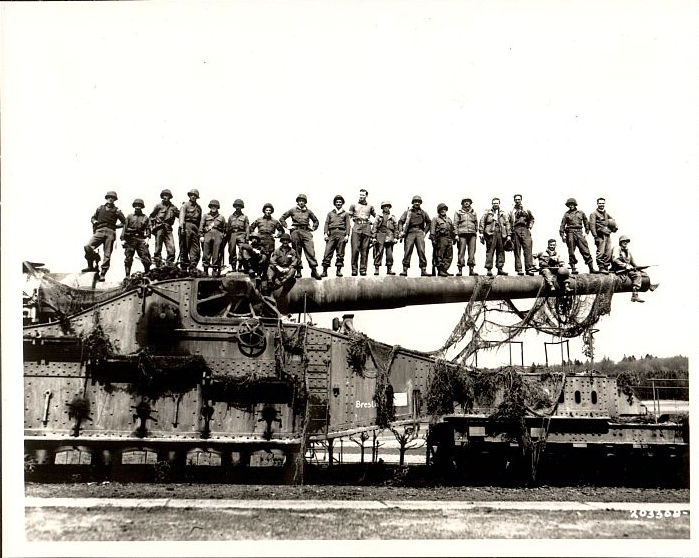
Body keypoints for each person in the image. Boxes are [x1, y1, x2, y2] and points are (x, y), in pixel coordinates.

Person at [83, 190, 126, 282]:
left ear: (115, 200)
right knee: (87, 247)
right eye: (109, 197)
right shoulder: (100, 208)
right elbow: (93, 217)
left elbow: (125, 222)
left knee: (107, 254)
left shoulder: (117, 211)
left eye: (113, 198)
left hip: (110, 232)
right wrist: (94, 221)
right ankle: (91, 264)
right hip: (100, 230)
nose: (111, 199)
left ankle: (103, 273)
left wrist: (115, 226)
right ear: (106, 198)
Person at [280, 194, 322, 280]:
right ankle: (298, 271)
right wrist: (287, 226)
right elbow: (282, 218)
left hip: (306, 231)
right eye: (300, 201)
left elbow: (316, 221)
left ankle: (314, 270)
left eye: (303, 201)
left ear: (305, 202)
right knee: (296, 252)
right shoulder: (292, 210)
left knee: (310, 251)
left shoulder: (308, 211)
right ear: (297, 201)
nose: (301, 202)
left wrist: (313, 228)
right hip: (295, 231)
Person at [559, 197, 597, 274]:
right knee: (571, 252)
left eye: (572, 204)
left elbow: (586, 222)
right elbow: (562, 225)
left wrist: (586, 232)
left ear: (575, 204)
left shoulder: (581, 213)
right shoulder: (566, 214)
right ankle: (573, 268)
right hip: (570, 233)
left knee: (585, 250)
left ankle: (591, 268)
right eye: (569, 205)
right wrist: (562, 235)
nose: (571, 206)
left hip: (579, 232)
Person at [397, 195, 431, 276]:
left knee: (421, 251)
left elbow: (429, 222)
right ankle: (405, 269)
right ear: (413, 202)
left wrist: (424, 232)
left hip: (419, 232)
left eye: (418, 202)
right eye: (415, 201)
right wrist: (401, 231)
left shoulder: (423, 213)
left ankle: (423, 270)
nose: (417, 203)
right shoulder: (408, 212)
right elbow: (400, 221)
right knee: (408, 250)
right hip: (410, 232)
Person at [478, 197, 512, 276]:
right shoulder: (487, 212)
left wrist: (509, 235)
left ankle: (500, 269)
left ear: (499, 204)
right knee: (490, 251)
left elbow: (507, 223)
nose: (495, 204)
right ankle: (489, 269)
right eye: (494, 203)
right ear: (492, 204)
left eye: (497, 203)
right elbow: (482, 222)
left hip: (501, 233)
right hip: (490, 234)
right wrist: (481, 233)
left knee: (501, 251)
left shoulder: (503, 213)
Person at [348, 188, 376, 276]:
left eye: (363, 195)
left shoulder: (370, 206)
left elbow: (377, 217)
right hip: (356, 227)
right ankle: (354, 269)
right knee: (355, 249)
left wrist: (373, 226)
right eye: (360, 195)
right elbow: (348, 217)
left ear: (366, 196)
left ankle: (363, 269)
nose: (361, 196)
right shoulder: (353, 205)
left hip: (366, 228)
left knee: (365, 250)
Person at [611, 235, 648, 302]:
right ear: (620, 242)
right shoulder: (617, 248)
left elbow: (633, 262)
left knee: (642, 273)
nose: (625, 243)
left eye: (627, 242)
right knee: (637, 275)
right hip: (619, 269)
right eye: (624, 241)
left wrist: (639, 268)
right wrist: (625, 265)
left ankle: (650, 286)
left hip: (627, 269)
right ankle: (635, 296)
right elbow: (615, 259)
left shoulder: (628, 251)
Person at [122, 198, 152, 277]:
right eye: (136, 205)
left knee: (146, 258)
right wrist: (122, 239)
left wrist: (147, 239)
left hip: (140, 239)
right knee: (128, 258)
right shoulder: (129, 216)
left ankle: (147, 274)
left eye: (139, 206)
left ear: (142, 207)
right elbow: (125, 228)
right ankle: (127, 276)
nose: (137, 207)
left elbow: (148, 228)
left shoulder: (145, 217)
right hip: (130, 239)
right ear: (134, 206)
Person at [322, 194, 351, 277]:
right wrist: (325, 234)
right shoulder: (330, 213)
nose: (338, 203)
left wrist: (347, 235)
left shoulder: (345, 214)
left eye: (340, 202)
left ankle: (338, 270)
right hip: (332, 234)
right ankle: (324, 271)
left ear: (342, 203)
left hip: (341, 234)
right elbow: (326, 224)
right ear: (335, 203)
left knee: (340, 253)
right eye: (337, 202)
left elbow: (348, 225)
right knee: (327, 252)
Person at [149, 188, 179, 268]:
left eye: (167, 195)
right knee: (158, 248)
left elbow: (180, 215)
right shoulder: (158, 206)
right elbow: (151, 217)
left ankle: (169, 265)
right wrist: (152, 227)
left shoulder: (173, 208)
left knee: (171, 249)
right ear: (162, 196)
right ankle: (158, 266)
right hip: (159, 228)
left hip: (168, 228)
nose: (166, 197)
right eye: (164, 195)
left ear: (170, 197)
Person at [509, 194, 536, 276]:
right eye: (516, 199)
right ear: (514, 201)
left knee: (528, 249)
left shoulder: (526, 209)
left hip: (525, 229)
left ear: (521, 200)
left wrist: (530, 226)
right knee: (517, 250)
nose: (517, 201)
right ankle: (519, 269)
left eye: (519, 199)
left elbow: (532, 219)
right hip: (516, 230)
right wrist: (510, 233)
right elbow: (509, 222)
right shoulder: (511, 211)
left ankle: (529, 268)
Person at [589, 197, 617, 274]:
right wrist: (595, 236)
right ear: (597, 204)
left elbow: (612, 221)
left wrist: (614, 227)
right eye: (600, 203)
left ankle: (606, 267)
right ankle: (601, 267)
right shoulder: (593, 214)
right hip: (600, 235)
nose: (601, 205)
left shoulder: (606, 213)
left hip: (607, 235)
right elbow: (592, 226)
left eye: (603, 203)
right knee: (601, 252)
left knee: (608, 252)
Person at [178, 188, 204, 272]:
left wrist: (200, 232)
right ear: (189, 196)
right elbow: (181, 217)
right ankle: (184, 267)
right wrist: (182, 228)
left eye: (195, 196)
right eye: (191, 195)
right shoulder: (185, 205)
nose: (193, 197)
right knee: (184, 248)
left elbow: (200, 221)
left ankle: (193, 267)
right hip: (186, 227)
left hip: (195, 229)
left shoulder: (199, 208)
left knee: (196, 250)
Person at [371, 201, 398, 276]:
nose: (386, 208)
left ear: (389, 207)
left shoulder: (392, 217)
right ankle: (377, 268)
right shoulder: (378, 216)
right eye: (384, 206)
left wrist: (396, 237)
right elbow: (375, 227)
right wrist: (373, 237)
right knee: (379, 253)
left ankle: (389, 269)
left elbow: (396, 228)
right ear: (382, 208)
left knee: (389, 254)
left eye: (387, 206)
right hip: (380, 235)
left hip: (389, 236)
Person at [453, 197, 478, 276]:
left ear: (470, 203)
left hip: (472, 234)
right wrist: (456, 234)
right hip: (462, 234)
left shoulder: (474, 212)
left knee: (472, 252)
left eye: (468, 202)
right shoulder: (458, 212)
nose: (467, 203)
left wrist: (475, 231)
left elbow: (476, 222)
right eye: (465, 202)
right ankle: (460, 270)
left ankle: (471, 270)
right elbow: (455, 224)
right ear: (462, 203)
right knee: (461, 252)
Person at [201, 200, 227, 276]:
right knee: (206, 252)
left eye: (215, 206)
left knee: (216, 252)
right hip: (207, 234)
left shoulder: (221, 217)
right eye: (212, 206)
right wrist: (201, 235)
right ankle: (205, 269)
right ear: (210, 207)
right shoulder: (205, 216)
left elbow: (224, 228)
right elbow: (201, 226)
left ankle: (215, 269)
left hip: (217, 234)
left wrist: (222, 235)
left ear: (217, 207)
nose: (213, 208)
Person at [430, 203, 456, 276]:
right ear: (438, 211)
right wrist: (433, 240)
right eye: (441, 209)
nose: (443, 211)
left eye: (444, 209)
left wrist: (454, 238)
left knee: (449, 255)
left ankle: (445, 269)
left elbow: (452, 229)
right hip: (441, 238)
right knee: (440, 255)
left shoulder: (449, 219)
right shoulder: (435, 219)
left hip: (449, 238)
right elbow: (432, 230)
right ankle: (440, 270)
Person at [226, 199, 250, 272]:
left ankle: (240, 265)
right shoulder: (230, 217)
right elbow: (228, 228)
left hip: (241, 234)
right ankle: (233, 266)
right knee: (232, 250)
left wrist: (247, 237)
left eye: (239, 206)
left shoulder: (244, 217)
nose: (237, 207)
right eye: (236, 206)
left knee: (242, 250)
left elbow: (247, 228)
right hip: (232, 234)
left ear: (241, 207)